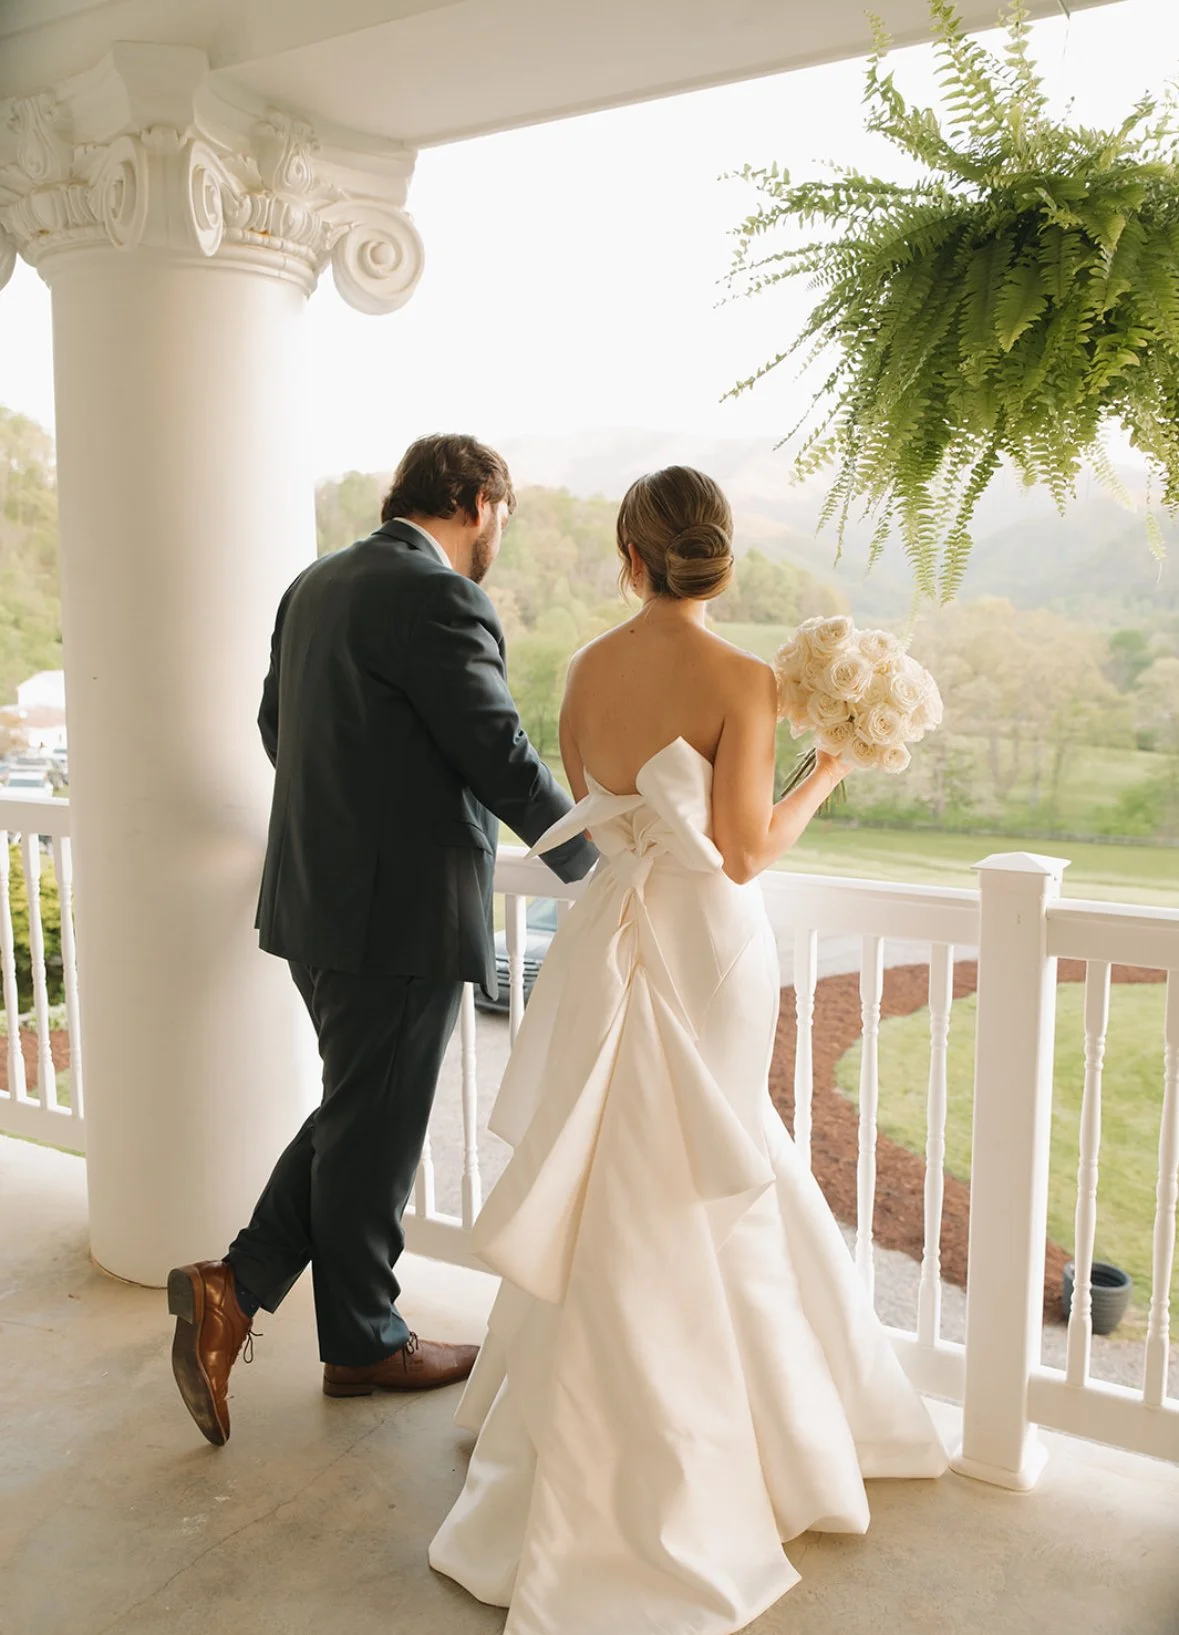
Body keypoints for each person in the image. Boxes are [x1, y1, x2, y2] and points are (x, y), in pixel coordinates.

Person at [429, 465, 948, 1634]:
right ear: (718, 556)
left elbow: (597, 803)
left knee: (624, 1151)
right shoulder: (744, 679)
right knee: (717, 1159)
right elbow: (748, 852)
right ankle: (755, 1442)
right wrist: (831, 768)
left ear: (630, 555)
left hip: (614, 921)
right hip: (711, 937)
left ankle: (586, 1420)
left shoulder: (585, 671)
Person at [166, 434, 598, 1447]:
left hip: (311, 901)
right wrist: (601, 865)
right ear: (482, 499)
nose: (500, 536)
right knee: (372, 1125)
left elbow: (281, 731)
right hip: (395, 912)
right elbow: (498, 753)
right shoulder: (442, 596)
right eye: (506, 515)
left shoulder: (313, 584)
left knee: (358, 1115)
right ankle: (358, 1336)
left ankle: (237, 1289)